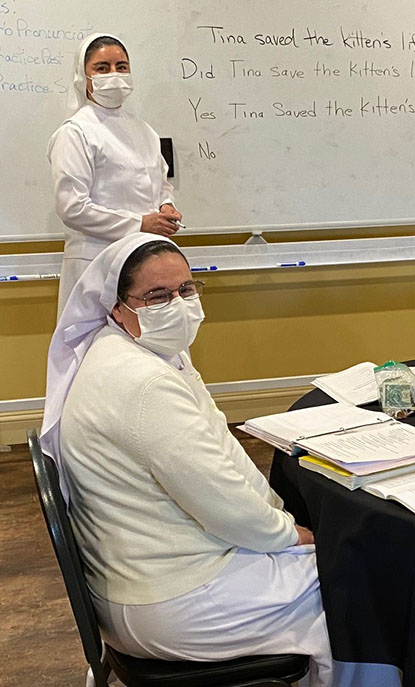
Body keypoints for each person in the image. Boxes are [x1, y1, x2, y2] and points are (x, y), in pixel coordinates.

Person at [39, 234, 333, 686]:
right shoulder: (142, 382)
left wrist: (277, 518)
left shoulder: (137, 352)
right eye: (157, 295)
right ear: (117, 306)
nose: (178, 304)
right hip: (172, 598)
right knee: (355, 589)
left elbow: (219, 456)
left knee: (338, 567)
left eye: (187, 289)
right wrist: (289, 533)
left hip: (146, 581)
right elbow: (222, 502)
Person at [48, 33, 182, 315]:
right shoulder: (76, 132)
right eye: (102, 67)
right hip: (96, 263)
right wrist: (140, 223)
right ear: (82, 76)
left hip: (146, 260)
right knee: (97, 350)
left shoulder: (144, 130)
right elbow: (72, 208)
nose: (114, 75)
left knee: (151, 346)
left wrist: (165, 206)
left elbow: (160, 182)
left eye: (121, 66)